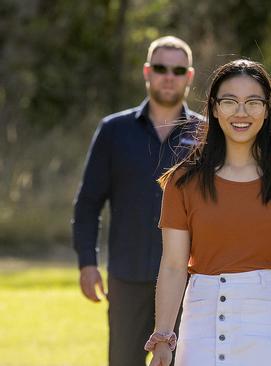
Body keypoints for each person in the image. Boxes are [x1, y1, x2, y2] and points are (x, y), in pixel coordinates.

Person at [145, 59, 271, 366]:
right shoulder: (183, 180)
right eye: (230, 102)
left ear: (267, 109)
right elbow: (173, 266)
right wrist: (162, 336)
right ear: (213, 108)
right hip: (201, 326)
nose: (241, 113)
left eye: (253, 102)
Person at [72, 36, 200, 366]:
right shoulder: (114, 130)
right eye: (160, 68)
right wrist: (87, 261)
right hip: (127, 276)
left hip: (189, 282)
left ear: (189, 76)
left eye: (177, 69)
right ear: (147, 72)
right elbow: (88, 203)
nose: (168, 76)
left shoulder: (206, 134)